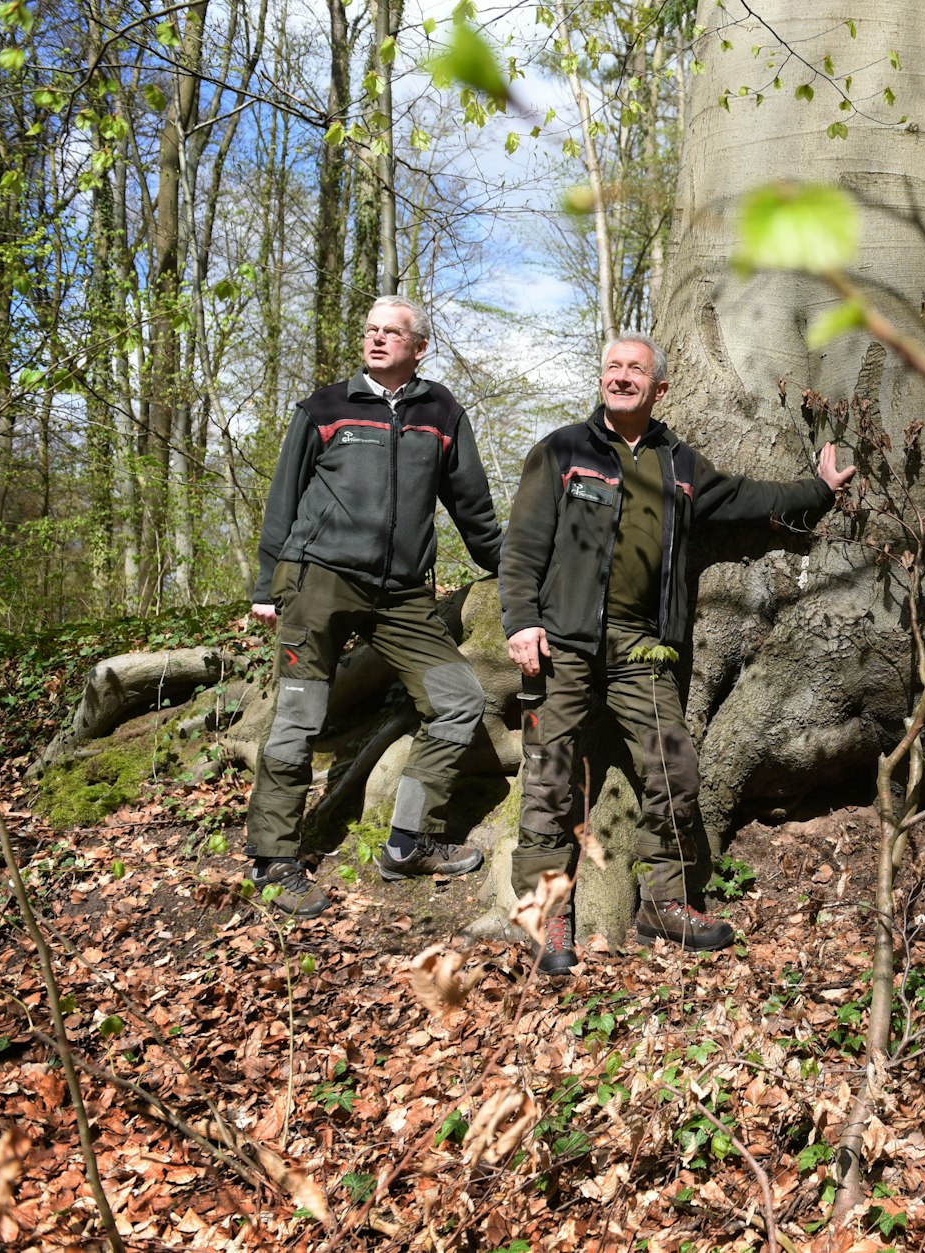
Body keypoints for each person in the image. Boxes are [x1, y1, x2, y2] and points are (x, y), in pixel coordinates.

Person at [500, 332, 855, 973]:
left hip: (642, 647)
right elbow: (522, 543)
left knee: (675, 768)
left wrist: (820, 490)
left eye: (635, 369)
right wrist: (521, 621)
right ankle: (544, 917)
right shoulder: (561, 451)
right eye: (613, 367)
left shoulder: (679, 464)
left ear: (659, 387)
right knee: (549, 774)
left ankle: (663, 905)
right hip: (562, 641)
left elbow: (749, 498)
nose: (621, 377)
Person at [245, 294, 505, 917]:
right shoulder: (324, 407)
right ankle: (274, 857)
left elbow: (472, 508)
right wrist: (265, 585)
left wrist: (516, 572)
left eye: (392, 331)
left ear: (420, 346)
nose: (378, 339)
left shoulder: (442, 412)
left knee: (458, 699)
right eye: (371, 330)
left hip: (403, 595)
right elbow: (284, 498)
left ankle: (409, 842)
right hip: (319, 581)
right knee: (299, 716)